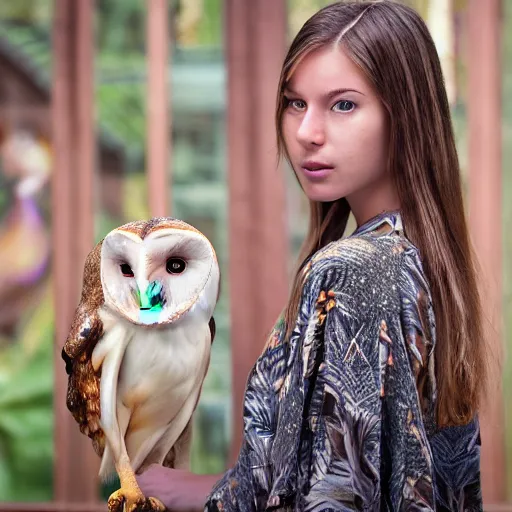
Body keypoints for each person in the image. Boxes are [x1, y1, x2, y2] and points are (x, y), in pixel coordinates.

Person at [137, 1, 489, 510]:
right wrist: (224, 486)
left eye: (343, 104)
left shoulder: (354, 270)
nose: (306, 132)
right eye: (295, 102)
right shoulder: (423, 257)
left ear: (405, 114)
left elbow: (333, 500)